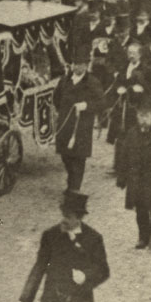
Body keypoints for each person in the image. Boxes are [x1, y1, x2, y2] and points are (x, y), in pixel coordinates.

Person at [115, 100, 151, 250]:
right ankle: (143, 237)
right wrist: (122, 177)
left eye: (147, 116)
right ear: (137, 117)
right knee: (140, 210)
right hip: (137, 180)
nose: (144, 119)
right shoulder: (132, 134)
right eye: (141, 116)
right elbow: (124, 156)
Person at [54, 46, 103, 192]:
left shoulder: (92, 82)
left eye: (81, 64)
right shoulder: (65, 80)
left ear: (86, 65)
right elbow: (56, 97)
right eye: (75, 63)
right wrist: (61, 112)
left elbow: (102, 103)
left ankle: (74, 189)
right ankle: (72, 181)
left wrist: (87, 105)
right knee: (65, 156)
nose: (77, 67)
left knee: (78, 159)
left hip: (81, 127)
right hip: (65, 125)